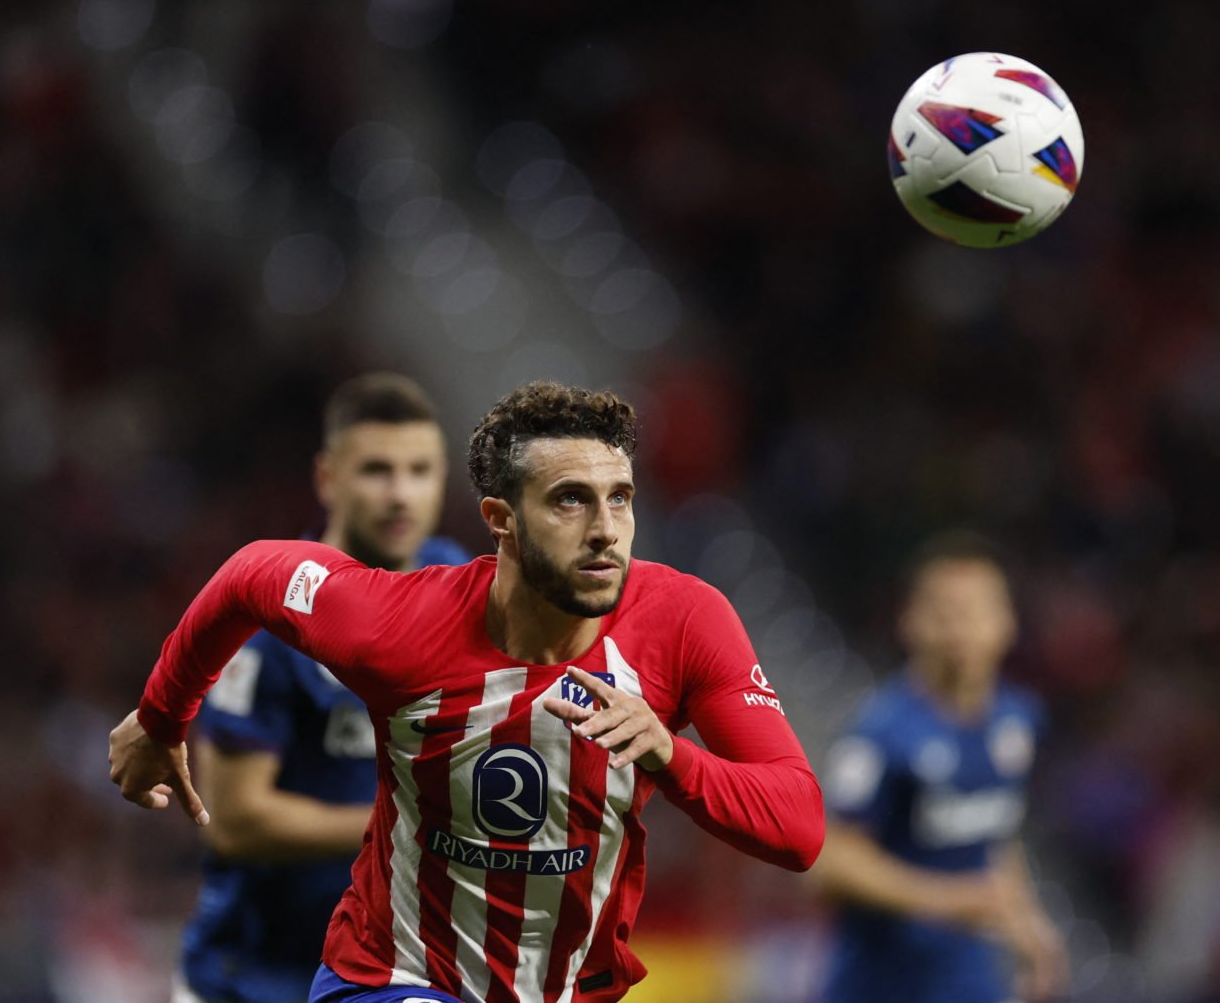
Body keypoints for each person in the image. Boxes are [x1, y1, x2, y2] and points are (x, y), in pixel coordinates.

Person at [110, 381, 824, 1003]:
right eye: (570, 502)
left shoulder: (685, 621)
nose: (607, 531)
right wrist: (162, 714)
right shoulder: (396, 624)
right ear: (501, 520)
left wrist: (672, 755)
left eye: (620, 498)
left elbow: (799, 829)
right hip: (397, 980)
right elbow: (255, 574)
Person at [177, 373, 472, 1003]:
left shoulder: (464, 592)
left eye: (420, 471)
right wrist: (412, 825)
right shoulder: (271, 613)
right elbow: (231, 821)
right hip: (254, 977)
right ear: (327, 478)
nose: (401, 495)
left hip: (392, 974)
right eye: (376, 471)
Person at [814, 533, 1069, 1003]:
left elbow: (992, 835)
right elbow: (832, 861)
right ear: (910, 621)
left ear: (1007, 622)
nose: (960, 628)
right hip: (880, 984)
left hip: (968, 978)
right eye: (944, 611)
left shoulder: (1020, 719)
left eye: (975, 610)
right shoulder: (879, 733)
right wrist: (949, 899)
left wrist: (1028, 926)